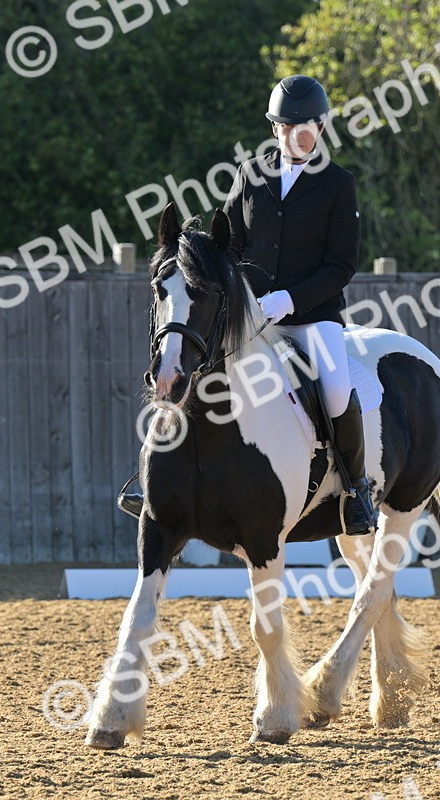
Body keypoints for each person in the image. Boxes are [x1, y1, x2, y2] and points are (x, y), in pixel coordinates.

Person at [119, 75, 378, 536]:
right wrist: (240, 297)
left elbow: (342, 265)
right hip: (249, 315)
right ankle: (156, 483)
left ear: (320, 127)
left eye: (304, 127)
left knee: (337, 389)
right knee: (189, 366)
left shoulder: (338, 184)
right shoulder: (251, 173)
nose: (294, 135)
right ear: (274, 127)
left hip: (311, 316)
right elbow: (229, 246)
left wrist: (289, 299)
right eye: (285, 126)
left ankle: (356, 491)